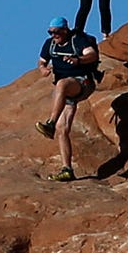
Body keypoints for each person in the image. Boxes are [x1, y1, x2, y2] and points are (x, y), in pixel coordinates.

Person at [35, 16, 100, 182]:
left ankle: (49, 123)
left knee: (62, 84)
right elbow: (41, 61)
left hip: (82, 82)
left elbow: (92, 55)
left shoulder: (77, 40)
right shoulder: (50, 44)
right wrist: (42, 69)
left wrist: (78, 60)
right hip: (65, 92)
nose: (53, 35)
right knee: (62, 129)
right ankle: (67, 169)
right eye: (51, 32)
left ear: (65, 30)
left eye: (56, 32)